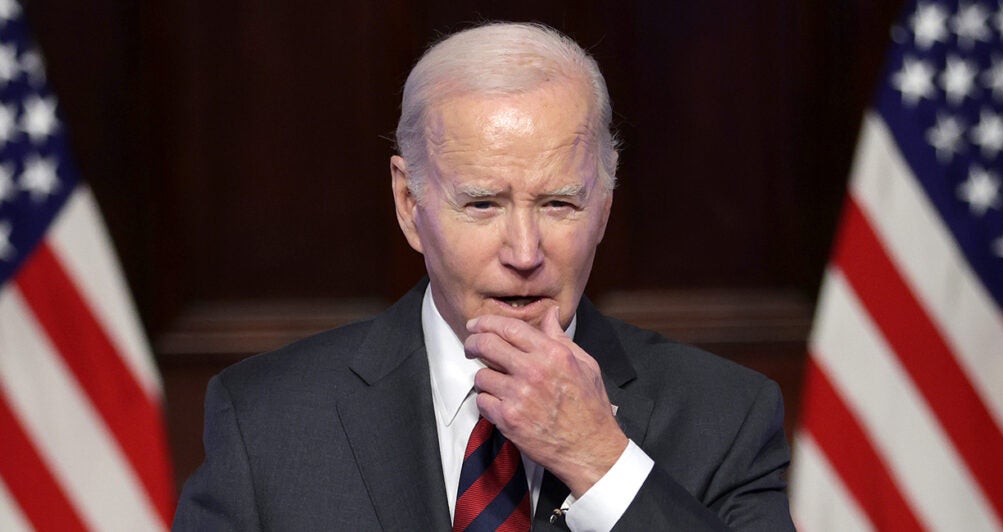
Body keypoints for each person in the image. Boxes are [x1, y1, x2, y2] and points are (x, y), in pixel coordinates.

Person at [172, 22, 795, 531]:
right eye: (482, 204)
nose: (524, 252)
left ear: (603, 207)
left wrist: (600, 460)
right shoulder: (267, 419)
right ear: (409, 204)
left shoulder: (727, 415)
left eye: (559, 204)